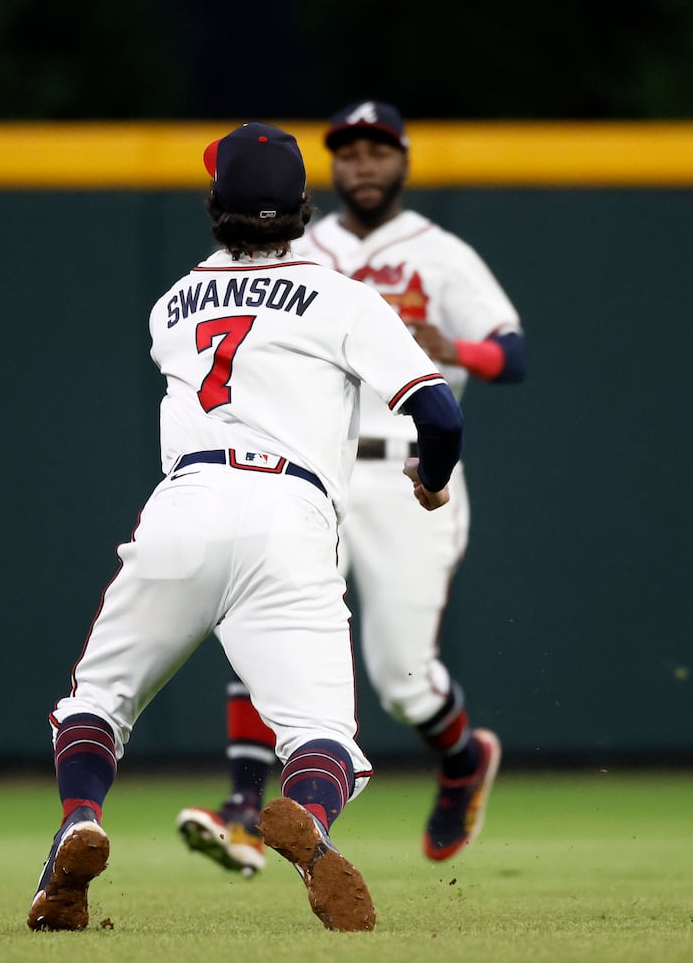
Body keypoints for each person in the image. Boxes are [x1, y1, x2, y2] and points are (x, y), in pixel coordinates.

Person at [26, 121, 464, 934]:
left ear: (211, 204)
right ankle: (305, 815)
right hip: (291, 519)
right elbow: (438, 414)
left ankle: (78, 822)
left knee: (98, 701)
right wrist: (430, 482)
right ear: (303, 205)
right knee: (321, 738)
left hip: (183, 505)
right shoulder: (341, 296)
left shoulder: (171, 304)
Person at [177, 100, 525, 876]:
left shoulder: (439, 253)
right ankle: (240, 810)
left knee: (402, 681)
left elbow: (513, 351)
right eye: (348, 152)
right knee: (260, 617)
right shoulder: (298, 245)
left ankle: (462, 757)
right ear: (326, 170)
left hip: (409, 470)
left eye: (377, 150)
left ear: (401, 161)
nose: (361, 164)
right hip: (314, 467)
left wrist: (456, 347)